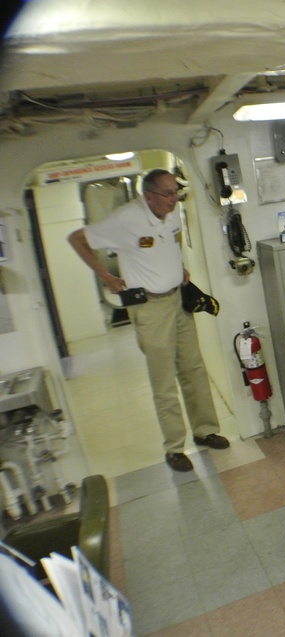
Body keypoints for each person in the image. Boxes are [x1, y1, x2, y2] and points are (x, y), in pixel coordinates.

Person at [67, 169, 230, 473]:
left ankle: (205, 430)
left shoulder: (172, 211)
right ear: (149, 196)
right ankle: (174, 447)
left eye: (175, 193)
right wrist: (105, 275)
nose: (174, 199)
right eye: (168, 194)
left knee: (193, 368)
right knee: (163, 379)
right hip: (149, 308)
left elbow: (173, 239)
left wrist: (178, 267)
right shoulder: (125, 218)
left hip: (177, 300)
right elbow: (77, 239)